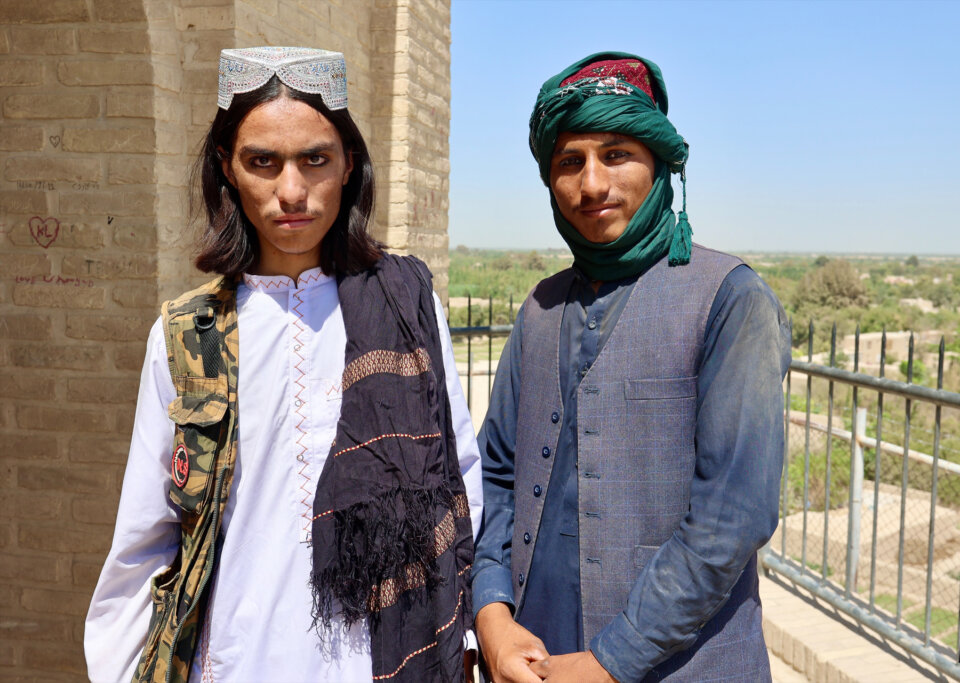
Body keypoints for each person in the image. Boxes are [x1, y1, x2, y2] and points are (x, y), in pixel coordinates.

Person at [85, 47, 480, 683]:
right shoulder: (190, 333)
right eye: (262, 162)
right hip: (240, 656)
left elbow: (458, 478)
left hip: (386, 655)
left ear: (349, 163)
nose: (290, 191)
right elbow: (146, 536)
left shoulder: (406, 303)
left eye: (314, 160)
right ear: (228, 168)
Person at [471, 52, 791, 683]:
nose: (592, 185)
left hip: (677, 663)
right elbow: (497, 476)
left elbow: (733, 513)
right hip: (533, 654)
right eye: (570, 162)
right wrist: (492, 615)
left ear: (659, 163)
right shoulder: (542, 306)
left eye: (615, 155)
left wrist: (608, 661)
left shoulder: (730, 297)